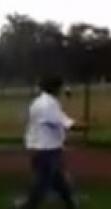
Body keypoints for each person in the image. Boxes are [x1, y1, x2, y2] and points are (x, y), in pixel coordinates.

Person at [16, 76, 78, 209]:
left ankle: (70, 202)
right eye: (60, 87)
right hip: (45, 149)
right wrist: (88, 126)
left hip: (46, 148)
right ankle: (28, 205)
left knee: (57, 179)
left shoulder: (45, 102)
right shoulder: (47, 105)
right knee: (43, 182)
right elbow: (66, 123)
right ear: (55, 88)